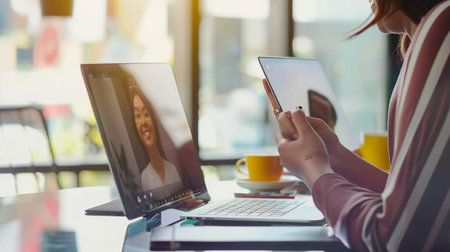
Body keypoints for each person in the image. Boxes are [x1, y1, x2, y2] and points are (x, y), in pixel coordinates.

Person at [265, 0, 449, 250]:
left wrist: (311, 166)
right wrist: (334, 155)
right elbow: (422, 205)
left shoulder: (442, 29)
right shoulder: (429, 35)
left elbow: (393, 238)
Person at [130, 85, 182, 191]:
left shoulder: (173, 169)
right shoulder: (144, 178)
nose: (143, 122)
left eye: (146, 113)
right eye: (138, 116)